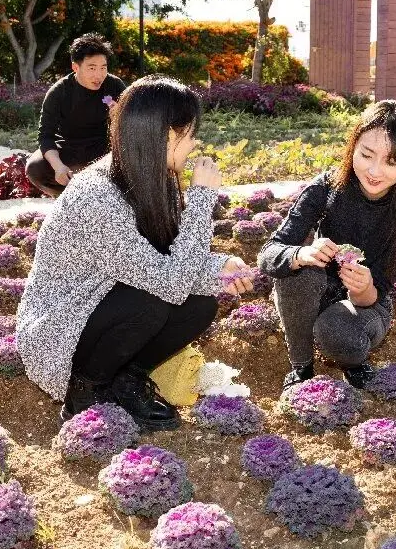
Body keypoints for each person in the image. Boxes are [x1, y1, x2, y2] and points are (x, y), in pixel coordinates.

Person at [16, 76, 254, 429]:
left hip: (107, 304)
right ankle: (84, 394)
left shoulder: (151, 179)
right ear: (167, 136)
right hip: (60, 331)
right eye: (190, 134)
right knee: (154, 299)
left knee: (202, 302)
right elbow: (167, 282)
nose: (195, 143)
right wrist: (202, 199)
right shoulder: (94, 196)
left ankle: (126, 380)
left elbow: (169, 265)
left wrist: (221, 267)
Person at [258, 101, 396, 390]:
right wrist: (302, 253)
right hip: (315, 292)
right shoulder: (327, 188)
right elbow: (268, 254)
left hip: (368, 305)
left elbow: (376, 294)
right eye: (366, 155)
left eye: (392, 162)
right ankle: (301, 366)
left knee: (336, 330)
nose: (375, 171)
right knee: (298, 271)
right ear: (353, 146)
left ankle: (353, 362)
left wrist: (363, 288)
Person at [25, 33, 127, 197]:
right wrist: (58, 166)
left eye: (103, 67)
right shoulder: (59, 92)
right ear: (75, 67)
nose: (99, 75)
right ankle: (66, 199)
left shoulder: (114, 85)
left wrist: (119, 117)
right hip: (70, 148)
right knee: (35, 167)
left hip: (105, 148)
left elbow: (132, 128)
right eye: (92, 68)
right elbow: (46, 136)